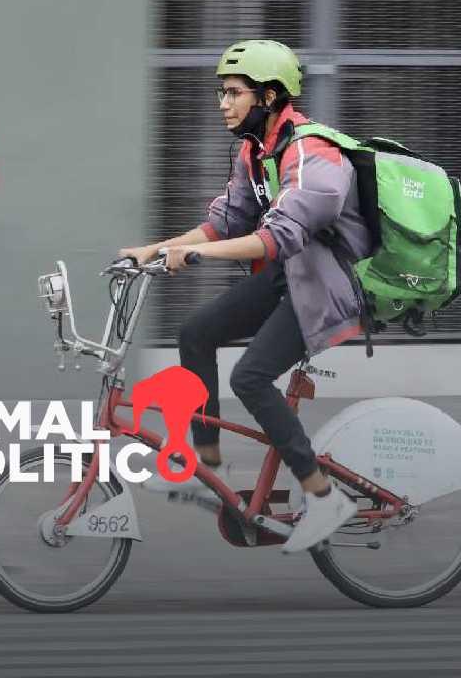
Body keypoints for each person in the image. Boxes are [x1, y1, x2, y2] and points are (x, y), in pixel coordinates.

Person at [118, 39, 372, 553]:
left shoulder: (314, 154)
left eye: (234, 92)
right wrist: (155, 249)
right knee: (196, 333)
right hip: (290, 275)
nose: (223, 103)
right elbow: (225, 222)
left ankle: (323, 496)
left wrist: (194, 256)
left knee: (250, 377)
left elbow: (277, 238)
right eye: (222, 93)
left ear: (270, 96)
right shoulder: (255, 152)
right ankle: (205, 466)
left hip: (327, 285)